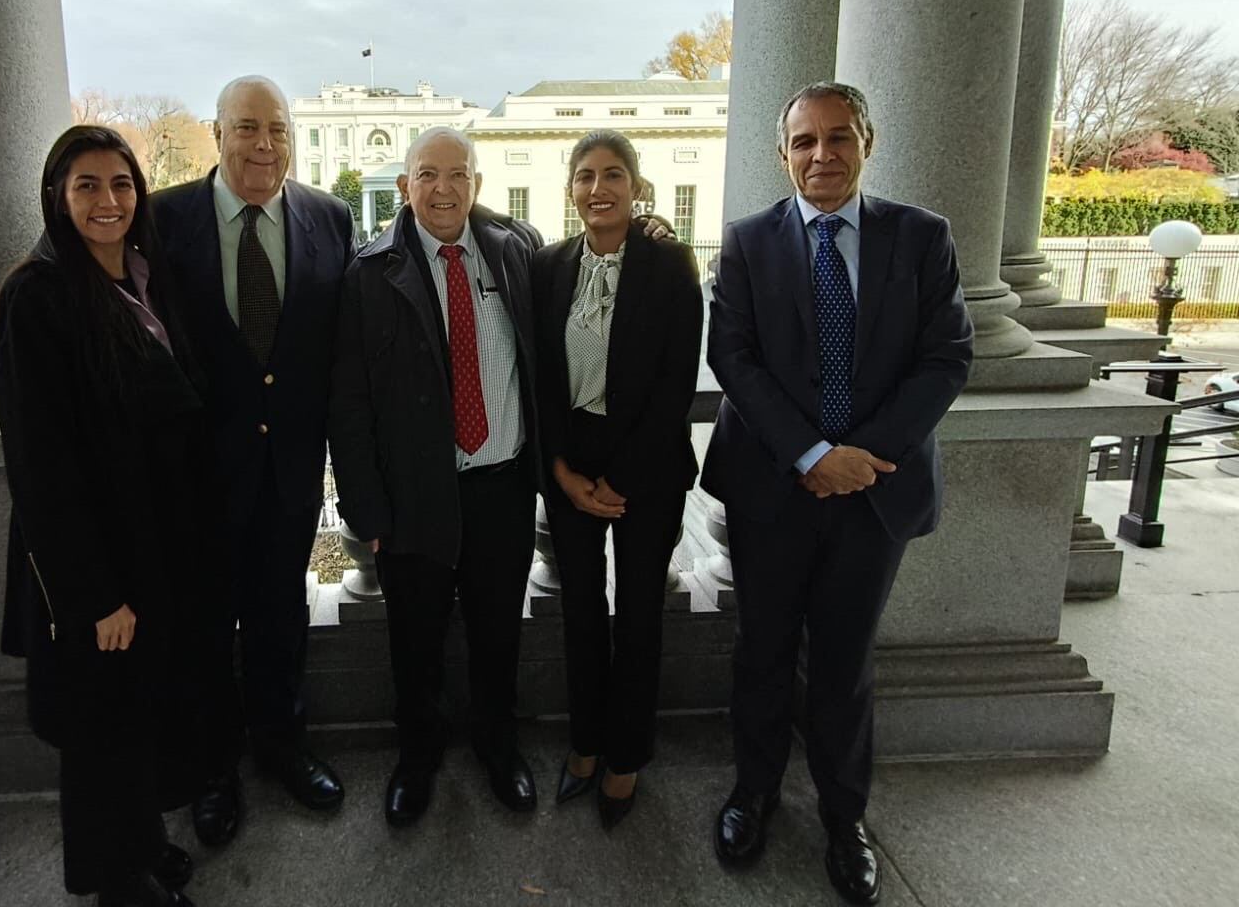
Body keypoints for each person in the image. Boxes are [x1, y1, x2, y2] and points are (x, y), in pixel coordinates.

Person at [703, 82, 973, 905]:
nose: (822, 156)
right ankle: (753, 793)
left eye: (838, 138)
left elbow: (947, 357)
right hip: (772, 492)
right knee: (763, 653)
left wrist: (861, 457)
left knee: (846, 666)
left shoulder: (922, 238)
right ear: (781, 152)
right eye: (804, 142)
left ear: (867, 142)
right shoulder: (748, 243)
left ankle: (844, 817)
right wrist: (812, 453)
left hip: (874, 495)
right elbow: (734, 360)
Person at [0, 125, 212, 907]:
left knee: (137, 710)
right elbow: (40, 464)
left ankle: (143, 846)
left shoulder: (146, 276)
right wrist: (94, 595)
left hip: (156, 546)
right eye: (86, 185)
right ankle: (113, 880)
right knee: (100, 727)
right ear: (57, 195)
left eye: (120, 184)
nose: (107, 201)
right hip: (100, 565)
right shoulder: (38, 297)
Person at [150, 76, 356, 847]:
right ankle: (214, 771)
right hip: (200, 476)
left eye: (276, 129)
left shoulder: (329, 218)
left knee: (281, 619)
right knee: (205, 628)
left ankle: (282, 747)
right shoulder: (164, 221)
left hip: (292, 473)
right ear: (216, 133)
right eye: (246, 128)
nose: (263, 145)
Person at [329, 126, 543, 826]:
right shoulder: (368, 274)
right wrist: (369, 514)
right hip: (415, 499)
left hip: (502, 490)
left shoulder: (516, 253)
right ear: (404, 186)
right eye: (428, 174)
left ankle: (497, 747)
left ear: (477, 183)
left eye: (458, 174)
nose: (443, 188)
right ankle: (416, 760)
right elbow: (349, 405)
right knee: (414, 644)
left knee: (496, 636)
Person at [531, 131, 703, 830]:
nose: (598, 188)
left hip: (649, 467)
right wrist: (565, 474)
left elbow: (675, 387)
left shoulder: (671, 262)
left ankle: (626, 756)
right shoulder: (547, 266)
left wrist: (615, 479)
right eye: (584, 177)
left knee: (637, 617)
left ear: (636, 185)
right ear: (570, 189)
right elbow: (540, 375)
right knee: (578, 614)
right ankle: (585, 742)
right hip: (572, 461)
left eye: (612, 175)